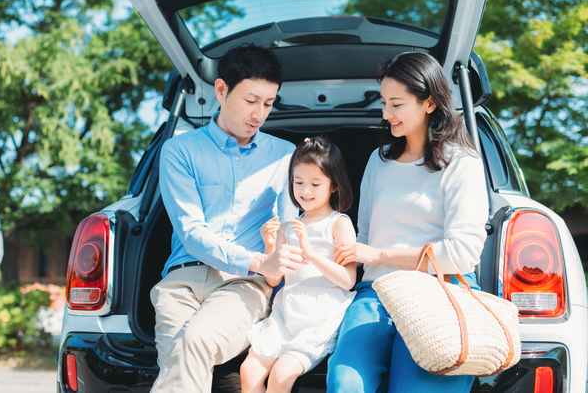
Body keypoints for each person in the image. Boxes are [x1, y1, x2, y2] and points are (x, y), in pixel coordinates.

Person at [326, 52, 489, 393]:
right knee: (345, 383)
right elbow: (365, 236)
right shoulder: (379, 161)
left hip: (442, 292)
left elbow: (463, 253)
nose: (386, 115)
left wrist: (381, 255)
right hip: (375, 294)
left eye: (396, 104)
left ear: (429, 102)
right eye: (384, 103)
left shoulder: (462, 162)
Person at [151, 44, 304, 392]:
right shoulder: (179, 150)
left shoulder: (284, 156)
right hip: (181, 282)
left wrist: (277, 259)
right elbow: (191, 232)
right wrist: (257, 260)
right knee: (180, 363)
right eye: (251, 100)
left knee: (193, 343)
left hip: (244, 285)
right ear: (221, 90)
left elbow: (289, 227)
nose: (260, 113)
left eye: (268, 103)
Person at [240, 136, 357, 393]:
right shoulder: (287, 227)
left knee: (281, 375)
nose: (305, 191)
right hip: (286, 313)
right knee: (248, 372)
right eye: (298, 182)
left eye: (315, 184)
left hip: (319, 316)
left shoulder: (339, 223)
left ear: (334, 185)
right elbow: (273, 281)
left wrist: (311, 252)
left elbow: (348, 280)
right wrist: (270, 246)